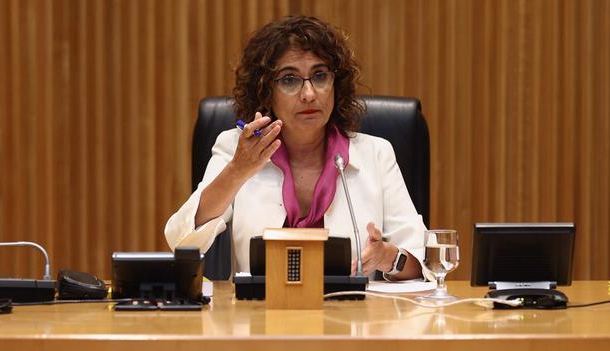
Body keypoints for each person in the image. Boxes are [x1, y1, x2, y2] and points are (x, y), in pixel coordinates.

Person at [164, 15, 426, 280]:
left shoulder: (376, 154)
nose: (309, 94)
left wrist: (388, 257)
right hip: (259, 305)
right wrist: (237, 171)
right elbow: (181, 242)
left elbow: (424, 263)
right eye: (289, 80)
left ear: (336, 84)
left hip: (350, 306)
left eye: (320, 76)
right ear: (265, 91)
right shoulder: (236, 149)